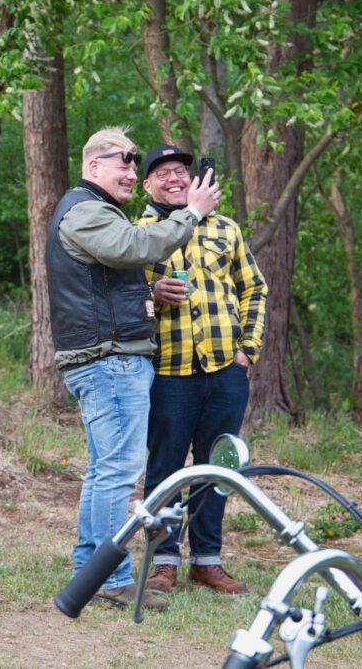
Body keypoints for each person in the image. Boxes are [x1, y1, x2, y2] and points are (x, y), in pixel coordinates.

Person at [45, 126, 220, 611]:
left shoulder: (93, 211)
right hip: (110, 360)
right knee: (118, 473)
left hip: (109, 359)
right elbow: (136, 248)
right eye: (122, 161)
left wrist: (147, 296)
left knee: (105, 471)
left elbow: (111, 276)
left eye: (131, 162)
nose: (129, 170)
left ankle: (90, 571)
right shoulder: (85, 210)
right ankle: (112, 579)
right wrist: (193, 213)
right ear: (92, 165)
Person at [138, 144, 267, 595]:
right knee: (166, 468)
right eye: (163, 173)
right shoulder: (137, 232)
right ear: (146, 184)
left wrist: (247, 349)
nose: (174, 178)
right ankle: (163, 561)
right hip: (167, 371)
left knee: (219, 466)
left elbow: (255, 288)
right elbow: (119, 300)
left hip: (224, 369)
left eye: (181, 171)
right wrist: (151, 294)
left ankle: (207, 561)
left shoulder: (226, 229)